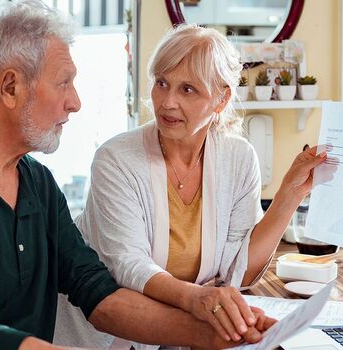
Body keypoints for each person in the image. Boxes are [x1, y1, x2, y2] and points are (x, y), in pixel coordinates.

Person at [0, 2, 277, 350]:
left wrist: (214, 335)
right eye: (64, 82)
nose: (75, 102)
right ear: (12, 88)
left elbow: (98, 293)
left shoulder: (36, 183)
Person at [54, 24, 328, 349]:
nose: (167, 102)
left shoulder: (238, 159)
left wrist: (290, 194)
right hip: (103, 337)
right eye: (162, 83)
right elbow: (129, 266)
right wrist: (199, 299)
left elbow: (237, 270)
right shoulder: (115, 159)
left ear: (221, 98)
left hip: (178, 334)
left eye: (187, 90)